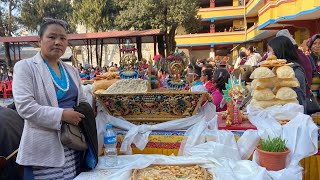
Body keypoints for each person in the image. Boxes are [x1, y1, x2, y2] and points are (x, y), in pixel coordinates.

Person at [12, 18, 87, 179]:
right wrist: (62, 115)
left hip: (73, 143)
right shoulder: (25, 67)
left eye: (63, 38)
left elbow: (83, 101)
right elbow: (25, 107)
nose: (58, 42)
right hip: (44, 148)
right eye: (52, 37)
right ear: (40, 40)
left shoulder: (71, 71)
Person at [268, 36, 307, 112]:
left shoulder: (294, 71)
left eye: (270, 51)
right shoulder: (277, 69)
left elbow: (299, 97)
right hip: (279, 113)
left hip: (292, 114)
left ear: (278, 51)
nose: (269, 55)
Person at [307, 34, 320, 102]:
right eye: (315, 43)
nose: (317, 46)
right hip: (312, 91)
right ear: (310, 46)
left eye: (319, 43)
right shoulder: (307, 58)